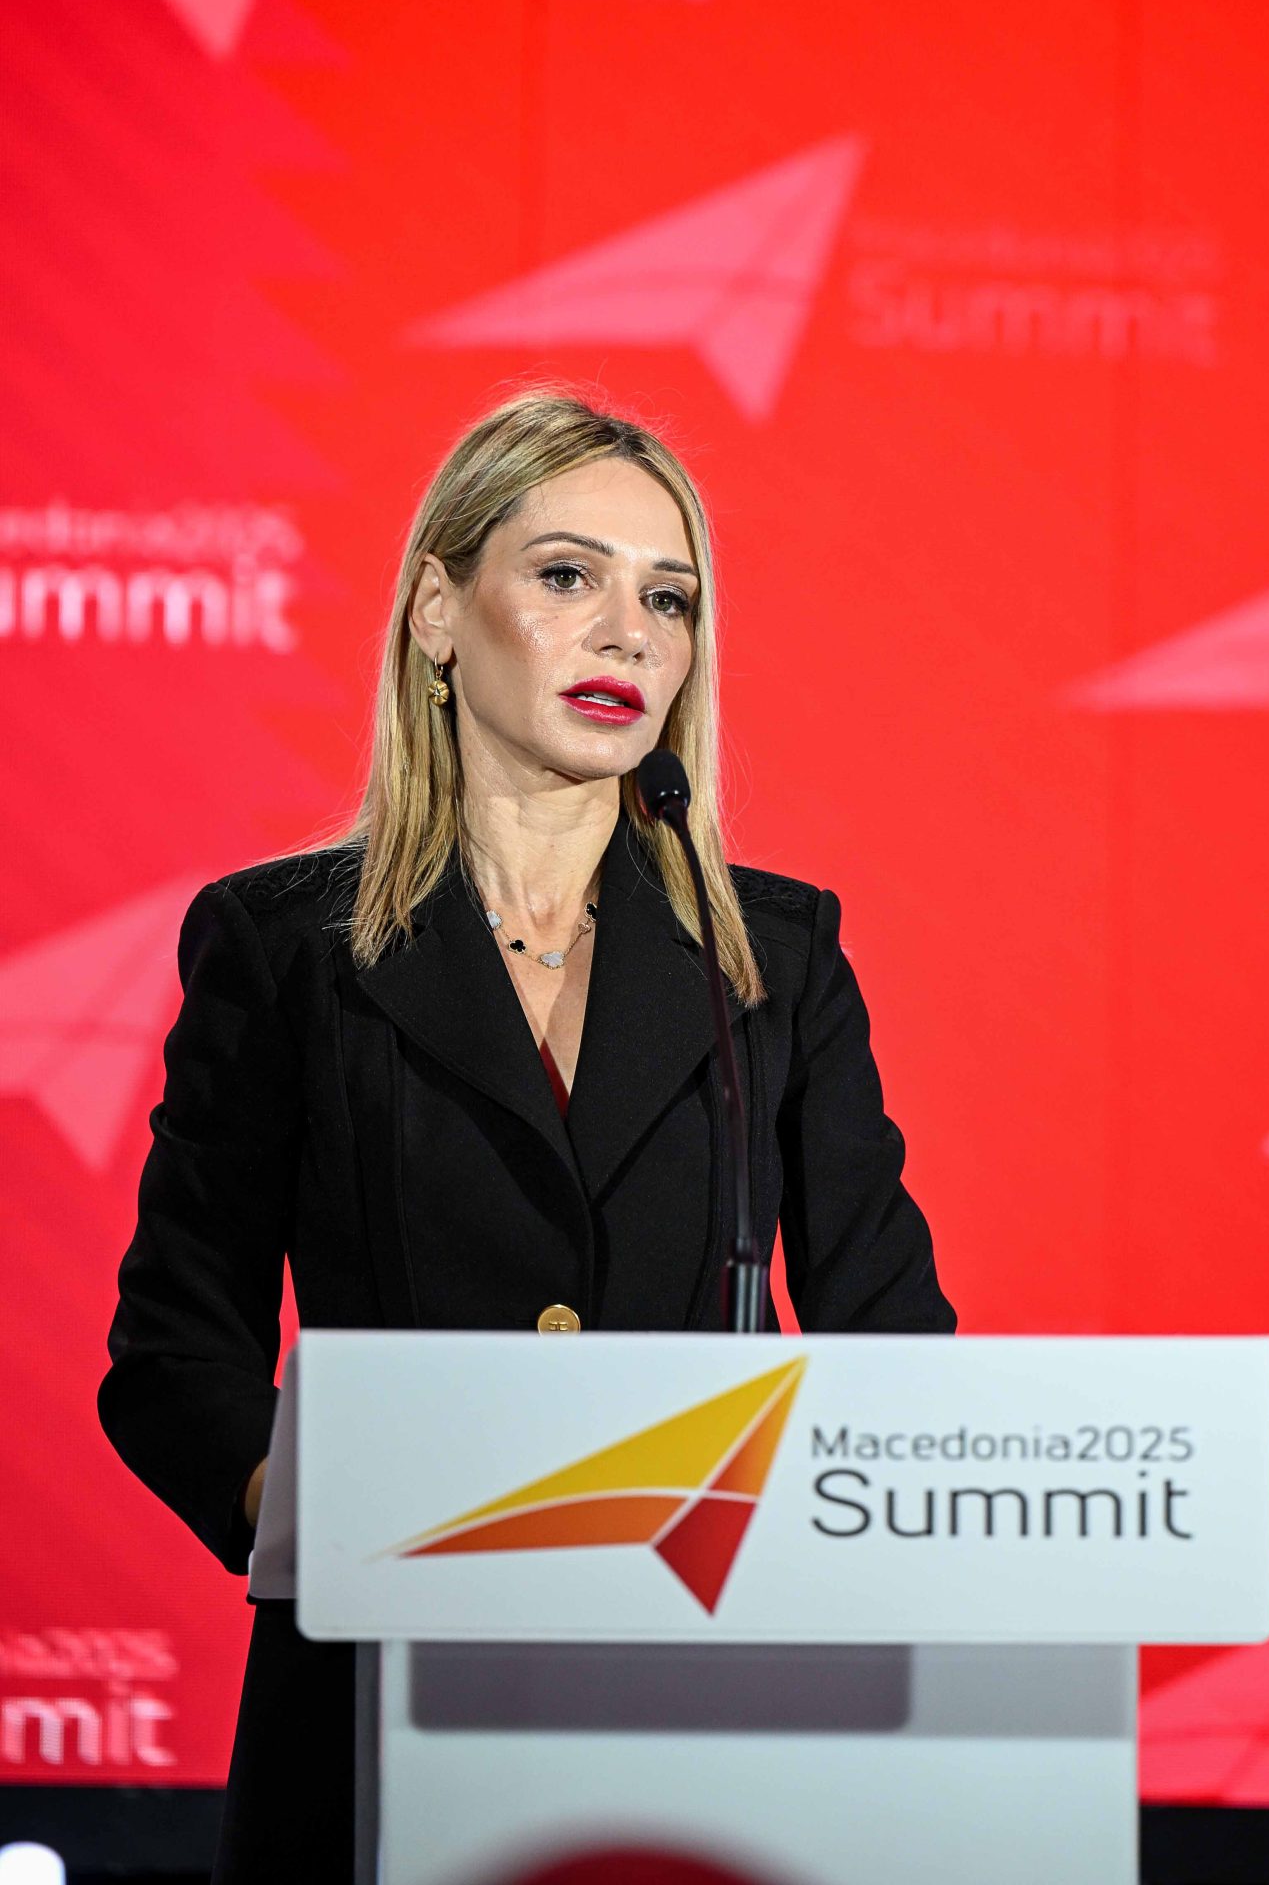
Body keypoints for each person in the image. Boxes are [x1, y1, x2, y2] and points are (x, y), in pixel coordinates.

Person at [98, 388, 953, 1884]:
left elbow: (894, 1350)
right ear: (439, 613)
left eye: (667, 598)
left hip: (706, 1701)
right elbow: (176, 1352)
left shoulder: (775, 961)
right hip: (374, 1697)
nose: (628, 634)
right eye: (568, 576)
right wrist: (330, 1525)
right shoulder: (285, 947)